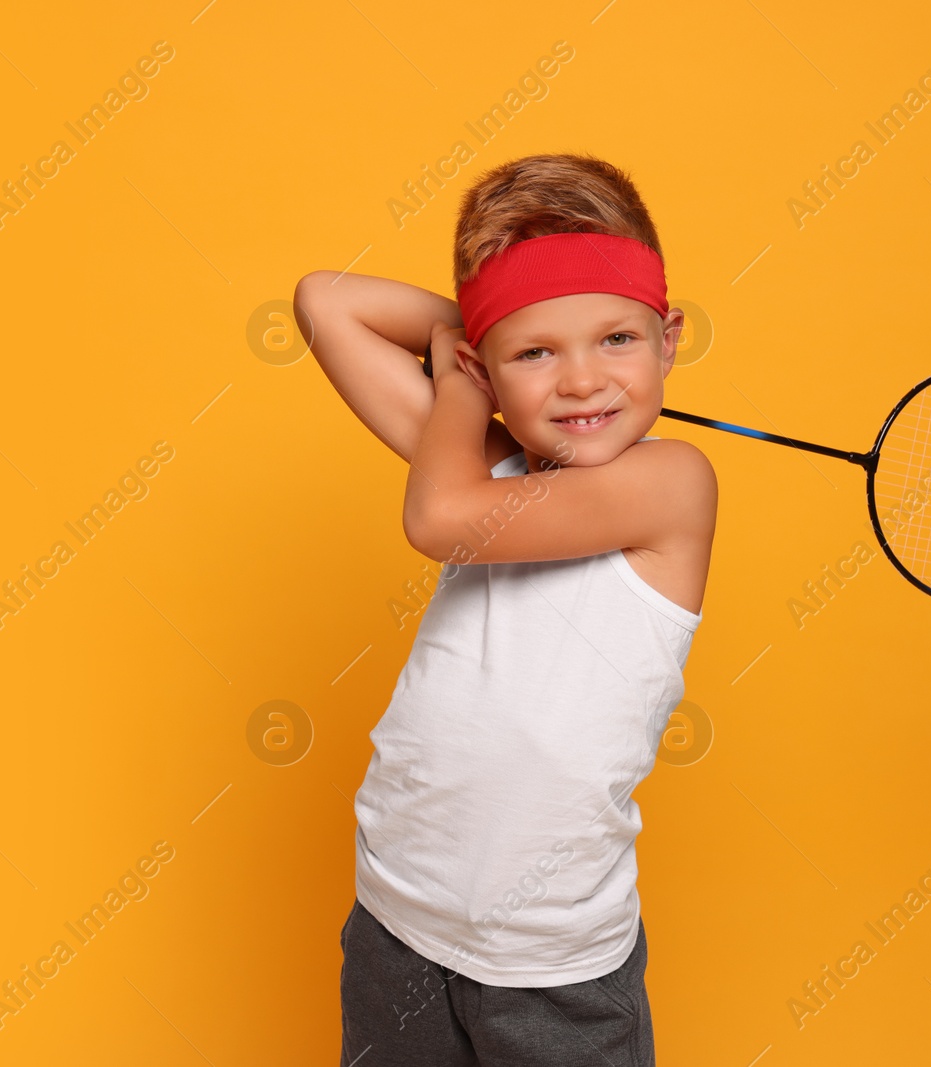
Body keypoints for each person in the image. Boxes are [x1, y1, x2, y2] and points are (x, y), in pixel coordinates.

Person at [293, 152, 717, 1067]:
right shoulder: (484, 458)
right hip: (398, 914)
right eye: (538, 353)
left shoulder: (672, 484)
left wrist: (475, 370)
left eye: (617, 339)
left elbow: (441, 519)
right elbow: (325, 302)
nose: (580, 382)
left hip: (552, 967)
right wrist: (483, 341)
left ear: (668, 340)